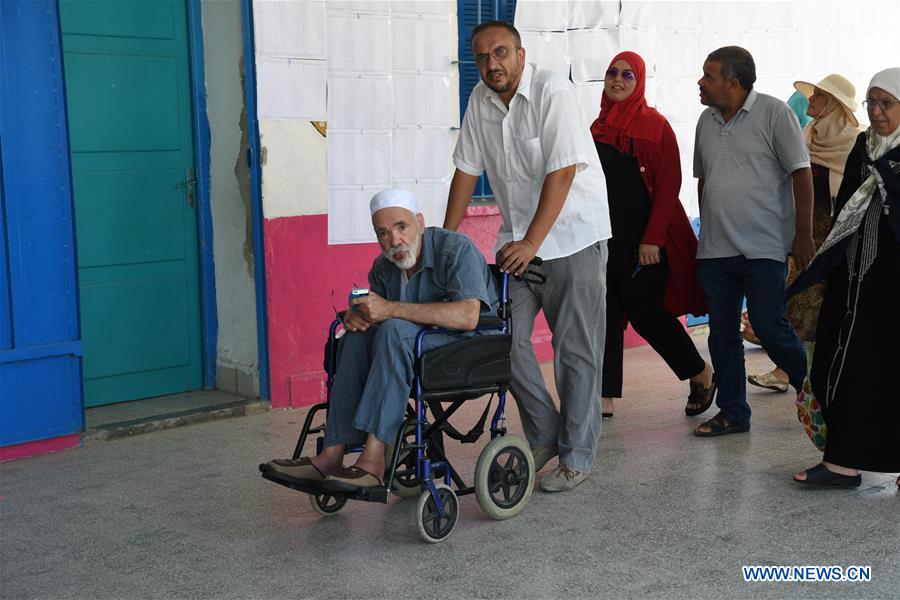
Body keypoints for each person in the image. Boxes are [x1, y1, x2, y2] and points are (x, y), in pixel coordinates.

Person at [444, 21, 611, 492]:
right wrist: (445, 245)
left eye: (500, 53)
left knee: (574, 352)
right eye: (481, 57)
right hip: (519, 242)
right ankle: (545, 436)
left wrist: (532, 243)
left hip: (572, 238)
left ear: (520, 53)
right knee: (503, 342)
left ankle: (577, 455)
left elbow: (561, 171)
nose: (491, 64)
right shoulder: (480, 99)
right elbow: (464, 170)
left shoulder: (552, 90)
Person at [263, 189, 500, 490]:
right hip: (417, 348)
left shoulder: (455, 249)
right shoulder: (384, 268)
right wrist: (356, 317)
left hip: (471, 346)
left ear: (420, 223)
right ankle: (332, 454)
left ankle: (374, 460)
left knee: (393, 330)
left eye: (402, 227)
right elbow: (380, 321)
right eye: (383, 233)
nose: (394, 241)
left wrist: (389, 310)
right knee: (356, 337)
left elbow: (469, 316)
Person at [692, 46, 814, 437]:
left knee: (767, 324)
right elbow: (704, 180)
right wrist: (706, 231)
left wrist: (802, 235)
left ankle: (814, 394)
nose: (700, 82)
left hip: (764, 245)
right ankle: (733, 412)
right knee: (722, 333)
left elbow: (802, 174)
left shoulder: (776, 114)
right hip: (716, 250)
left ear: (734, 82)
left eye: (708, 76)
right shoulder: (704, 122)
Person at [789, 67, 900, 488]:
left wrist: (887, 177)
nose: (876, 111)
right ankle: (843, 461)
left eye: (886, 103)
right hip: (855, 277)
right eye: (872, 103)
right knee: (847, 363)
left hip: (893, 285)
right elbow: (844, 211)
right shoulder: (863, 145)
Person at [590, 51, 713, 419]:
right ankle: (604, 395)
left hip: (645, 239)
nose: (617, 80)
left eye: (628, 75)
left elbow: (668, 185)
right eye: (612, 72)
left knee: (646, 313)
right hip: (607, 238)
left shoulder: (655, 124)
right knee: (606, 314)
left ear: (639, 81)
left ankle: (699, 371)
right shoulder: (597, 127)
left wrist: (653, 238)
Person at [749, 74, 860, 393]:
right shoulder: (805, 136)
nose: (810, 101)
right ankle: (790, 371)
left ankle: (808, 372)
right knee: (798, 300)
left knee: (827, 305)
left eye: (818, 97)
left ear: (834, 104)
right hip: (804, 233)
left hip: (838, 235)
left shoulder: (855, 141)